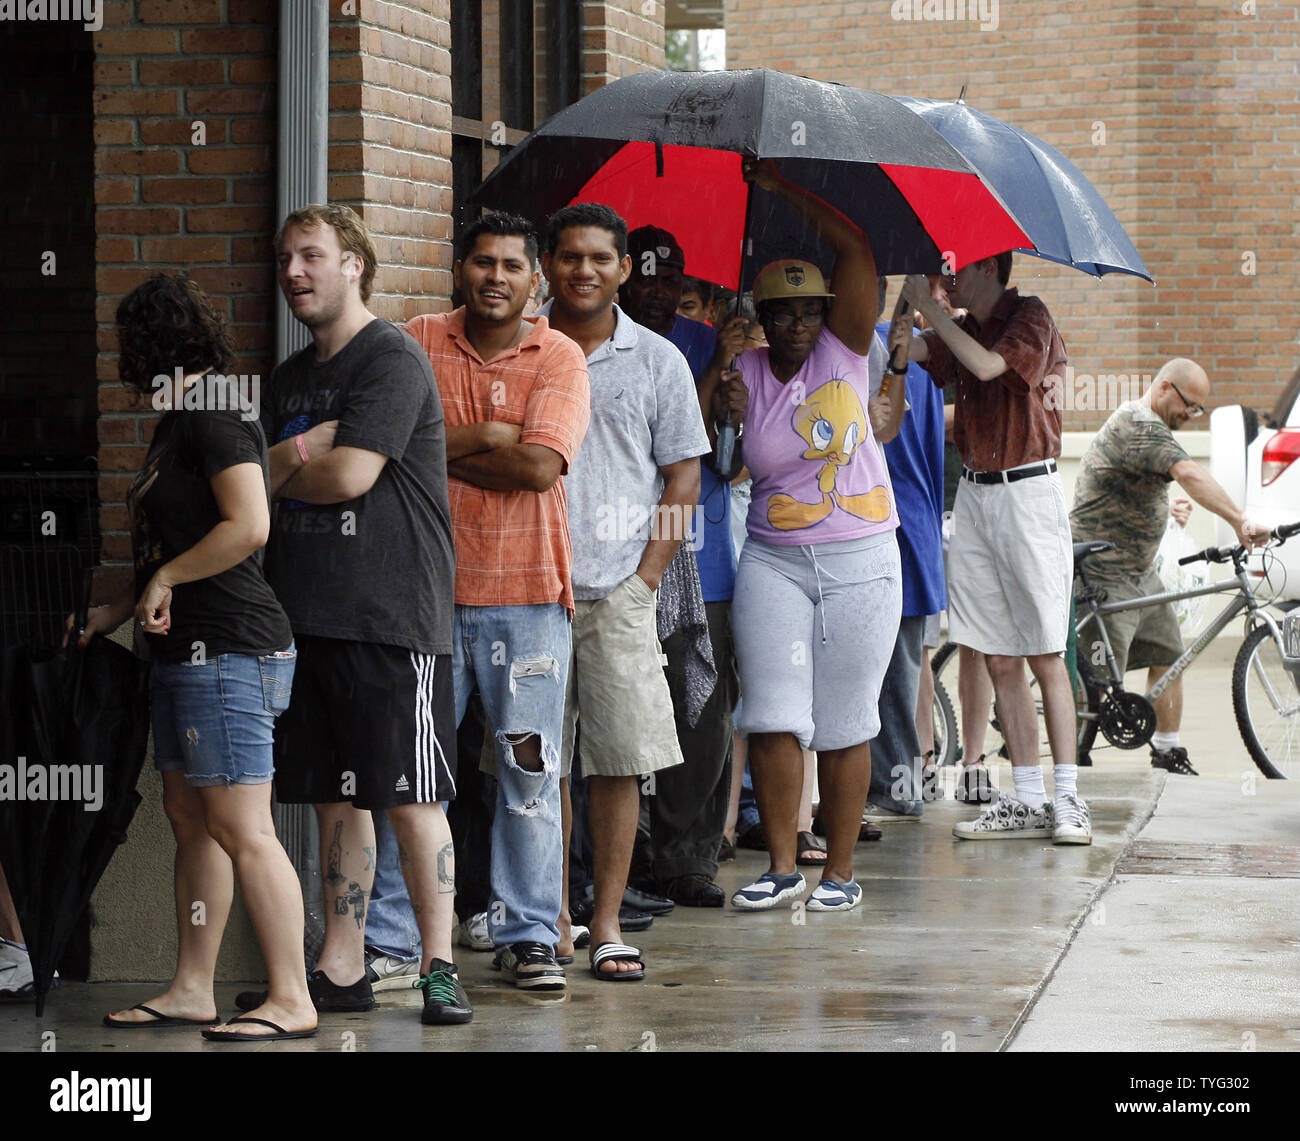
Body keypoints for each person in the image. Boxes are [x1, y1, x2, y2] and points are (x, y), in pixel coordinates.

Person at [80, 273, 315, 1041]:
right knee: (192, 816)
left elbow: (249, 525)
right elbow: (171, 542)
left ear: (150, 343)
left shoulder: (213, 411)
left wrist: (169, 578)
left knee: (243, 824)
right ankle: (191, 986)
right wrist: (113, 609)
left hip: (231, 650)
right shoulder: (184, 413)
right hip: (188, 651)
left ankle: (291, 997)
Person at [257, 204, 470, 1025]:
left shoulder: (393, 359)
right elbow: (276, 478)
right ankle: (339, 966)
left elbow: (350, 478)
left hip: (391, 618)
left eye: (311, 255)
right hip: (302, 618)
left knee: (414, 799)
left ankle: (440, 969)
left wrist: (289, 466)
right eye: (284, 259)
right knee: (333, 802)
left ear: (356, 264)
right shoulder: (286, 381)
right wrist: (298, 452)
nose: (293, 272)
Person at [405, 211, 589, 989]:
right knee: (411, 776)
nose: (497, 278)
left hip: (528, 600)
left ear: (533, 279)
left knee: (528, 777)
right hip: (423, 599)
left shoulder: (560, 354)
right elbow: (393, 444)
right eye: (483, 263)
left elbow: (542, 467)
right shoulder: (416, 340)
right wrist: (485, 432)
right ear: (459, 270)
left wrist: (442, 448)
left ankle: (528, 935)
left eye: (513, 266)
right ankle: (399, 941)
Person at [729, 158, 903, 913]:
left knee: (845, 717)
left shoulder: (847, 352)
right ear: (764, 319)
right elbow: (732, 465)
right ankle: (779, 864)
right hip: (774, 557)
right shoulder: (746, 368)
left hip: (862, 556)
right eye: (783, 313)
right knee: (770, 711)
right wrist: (725, 399)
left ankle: (839, 871)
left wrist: (785, 191)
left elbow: (860, 254)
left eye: (809, 310)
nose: (797, 324)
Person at [539, 202, 709, 978]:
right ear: (549, 264)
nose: (583, 271)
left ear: (622, 268)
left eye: (600, 259)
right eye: (569, 256)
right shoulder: (525, 344)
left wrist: (646, 580)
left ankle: (606, 919)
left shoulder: (658, 360)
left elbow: (683, 473)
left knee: (615, 761)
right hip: (529, 592)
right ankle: (553, 917)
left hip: (617, 592)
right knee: (538, 762)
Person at [892, 256, 1087, 844]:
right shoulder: (965, 327)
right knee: (998, 654)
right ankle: (1026, 798)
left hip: (1028, 490)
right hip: (975, 494)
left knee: (1045, 652)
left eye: (962, 266)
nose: (950, 275)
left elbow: (986, 366)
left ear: (991, 269)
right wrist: (905, 308)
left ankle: (1069, 798)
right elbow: (909, 355)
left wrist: (928, 309)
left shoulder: (1028, 316)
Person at [620, 224, 747, 907]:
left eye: (671, 280)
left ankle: (688, 857)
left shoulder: (713, 344)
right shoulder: (604, 347)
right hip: (624, 552)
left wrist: (732, 386)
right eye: (645, 275)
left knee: (701, 708)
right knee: (625, 709)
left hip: (703, 555)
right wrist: (706, 380)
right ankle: (627, 854)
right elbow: (663, 444)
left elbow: (724, 459)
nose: (658, 291)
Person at [1070, 358, 1267, 775]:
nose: (1191, 416)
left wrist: (1163, 510)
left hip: (1140, 572)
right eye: (1189, 405)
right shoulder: (1138, 422)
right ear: (1163, 387)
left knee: (1171, 655)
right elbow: (1188, 472)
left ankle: (1167, 750)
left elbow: (1141, 480)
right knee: (1098, 679)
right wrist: (1239, 519)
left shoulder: (1152, 428)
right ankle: (1071, 755)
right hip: (1103, 572)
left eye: (1199, 410)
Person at [866, 280, 947, 821]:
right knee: (905, 671)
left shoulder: (872, 353)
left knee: (891, 675)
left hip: (893, 532)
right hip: (918, 531)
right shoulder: (921, 361)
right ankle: (904, 781)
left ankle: (895, 789)